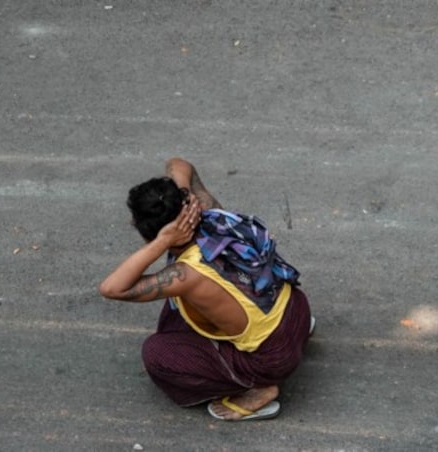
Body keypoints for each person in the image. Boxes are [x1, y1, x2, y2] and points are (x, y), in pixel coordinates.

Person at [99, 157, 313, 421]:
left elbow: (112, 288)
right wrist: (184, 194)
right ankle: (294, 336)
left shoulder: (187, 275)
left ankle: (259, 389)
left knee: (157, 353)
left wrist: (162, 242)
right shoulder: (211, 213)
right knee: (177, 310)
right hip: (297, 311)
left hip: (274, 359)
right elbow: (178, 164)